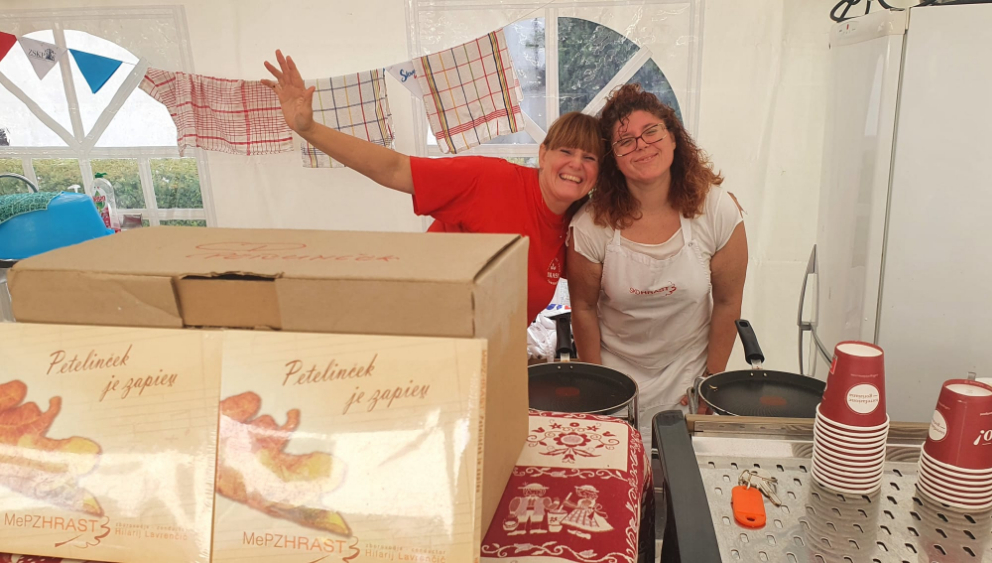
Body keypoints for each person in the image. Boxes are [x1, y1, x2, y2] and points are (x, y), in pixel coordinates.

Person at [263, 51, 602, 323]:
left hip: (494, 355)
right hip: (419, 334)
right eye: (566, 151)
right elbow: (394, 168)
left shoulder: (580, 227)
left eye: (589, 158)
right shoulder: (488, 179)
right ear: (543, 154)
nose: (576, 164)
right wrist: (309, 129)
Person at [566, 84, 748, 445]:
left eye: (651, 131)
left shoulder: (717, 210)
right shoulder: (589, 226)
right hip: (617, 380)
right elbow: (583, 309)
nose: (642, 145)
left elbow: (728, 302)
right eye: (625, 141)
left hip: (688, 378)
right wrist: (600, 388)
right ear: (613, 158)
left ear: (673, 137)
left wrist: (709, 383)